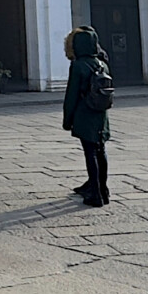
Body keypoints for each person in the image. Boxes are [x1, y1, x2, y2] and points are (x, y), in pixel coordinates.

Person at [62, 28, 112, 206]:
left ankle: (95, 194)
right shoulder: (102, 63)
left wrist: (67, 119)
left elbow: (72, 95)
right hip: (101, 113)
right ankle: (103, 189)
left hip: (85, 113)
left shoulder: (78, 65)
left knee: (89, 152)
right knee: (101, 150)